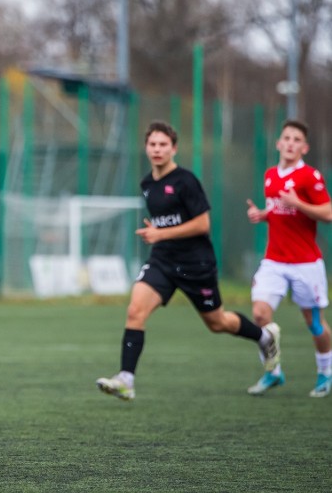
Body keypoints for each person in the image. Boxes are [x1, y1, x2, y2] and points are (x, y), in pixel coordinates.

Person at [95, 120, 280, 401]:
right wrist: (158, 236)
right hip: (163, 261)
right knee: (135, 311)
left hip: (196, 264)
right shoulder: (147, 183)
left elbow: (203, 224)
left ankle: (265, 338)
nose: (157, 150)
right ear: (146, 147)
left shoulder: (185, 181)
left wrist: (161, 233)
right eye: (152, 144)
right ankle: (126, 379)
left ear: (174, 148)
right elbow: (162, 224)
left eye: (163, 145)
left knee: (217, 323)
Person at [245, 119, 332, 398]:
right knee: (259, 315)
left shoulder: (310, 176)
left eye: (297, 140)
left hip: (306, 262)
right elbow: (278, 209)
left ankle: (325, 374)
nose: (291, 143)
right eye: (287, 138)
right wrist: (263, 214)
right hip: (274, 260)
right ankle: (273, 372)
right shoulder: (270, 174)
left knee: (314, 324)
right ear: (278, 143)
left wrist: (299, 203)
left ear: (304, 147)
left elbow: (328, 214)